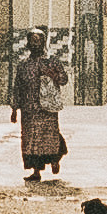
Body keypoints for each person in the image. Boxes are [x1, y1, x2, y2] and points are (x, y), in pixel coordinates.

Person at [11, 29, 68, 182]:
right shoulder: (23, 65)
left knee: (50, 137)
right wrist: (14, 109)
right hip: (29, 109)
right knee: (31, 140)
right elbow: (17, 87)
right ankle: (36, 171)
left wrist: (51, 73)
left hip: (47, 108)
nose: (35, 44)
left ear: (43, 43)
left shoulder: (51, 61)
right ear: (28, 43)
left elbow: (63, 79)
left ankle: (54, 160)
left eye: (38, 41)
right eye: (32, 41)